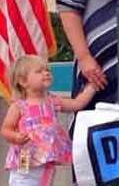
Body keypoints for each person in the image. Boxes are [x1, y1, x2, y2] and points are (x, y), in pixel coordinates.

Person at [1, 55, 97, 186]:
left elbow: (77, 103)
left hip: (46, 161)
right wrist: (15, 137)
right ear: (23, 82)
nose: (46, 73)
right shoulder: (19, 106)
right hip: (25, 162)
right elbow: (6, 129)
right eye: (39, 71)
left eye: (47, 70)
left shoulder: (52, 101)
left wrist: (92, 87)